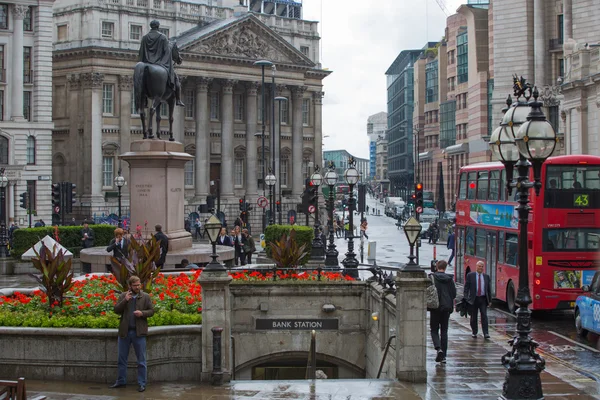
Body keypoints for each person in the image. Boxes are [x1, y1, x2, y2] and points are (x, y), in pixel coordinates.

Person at [111, 275, 155, 392]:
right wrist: (125, 300)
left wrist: (142, 313)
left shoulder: (145, 297)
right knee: (121, 359)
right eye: (135, 285)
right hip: (125, 332)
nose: (137, 287)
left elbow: (152, 311)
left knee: (141, 360)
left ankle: (142, 383)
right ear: (130, 286)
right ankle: (121, 381)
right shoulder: (123, 296)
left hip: (138, 332)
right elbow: (116, 310)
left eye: (139, 285)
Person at [138, 20, 183, 106]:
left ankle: (144, 99)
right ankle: (178, 100)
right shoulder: (163, 37)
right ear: (158, 27)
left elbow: (141, 53)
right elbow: (167, 53)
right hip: (160, 64)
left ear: (151, 26)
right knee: (176, 79)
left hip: (146, 64)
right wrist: (166, 65)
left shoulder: (144, 37)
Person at [430, 260, 456, 363]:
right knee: (444, 330)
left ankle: (438, 348)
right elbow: (453, 294)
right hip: (446, 308)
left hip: (435, 307)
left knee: (434, 330)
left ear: (437, 267)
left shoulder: (433, 278)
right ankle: (444, 356)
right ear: (445, 268)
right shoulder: (450, 279)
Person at [463, 261, 492, 339]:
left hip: (483, 299)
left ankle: (486, 333)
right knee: (473, 317)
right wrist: (466, 298)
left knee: (484, 316)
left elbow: (489, 289)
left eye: (482, 266)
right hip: (473, 299)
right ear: (476, 267)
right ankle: (474, 332)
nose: (481, 268)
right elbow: (466, 288)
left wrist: (490, 301)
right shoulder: (470, 275)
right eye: (479, 266)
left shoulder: (486, 277)